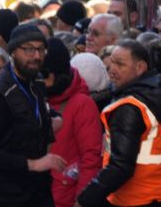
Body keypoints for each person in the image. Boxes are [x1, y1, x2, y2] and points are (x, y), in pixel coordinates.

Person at [76, 40, 161, 207]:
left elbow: (120, 167)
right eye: (112, 63)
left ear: (140, 67)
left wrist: (84, 200)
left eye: (120, 64)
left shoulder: (129, 107)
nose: (112, 70)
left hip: (133, 198)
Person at [0, 24, 65, 207]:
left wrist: (50, 121)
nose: (37, 56)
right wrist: (33, 164)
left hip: (35, 189)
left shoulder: (36, 82)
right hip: (3, 195)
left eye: (41, 49)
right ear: (13, 51)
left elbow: (31, 120)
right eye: (29, 49)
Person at [40, 39, 101, 207]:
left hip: (64, 197)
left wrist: (82, 200)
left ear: (57, 73)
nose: (38, 78)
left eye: (43, 73)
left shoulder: (81, 103)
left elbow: (91, 158)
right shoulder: (34, 97)